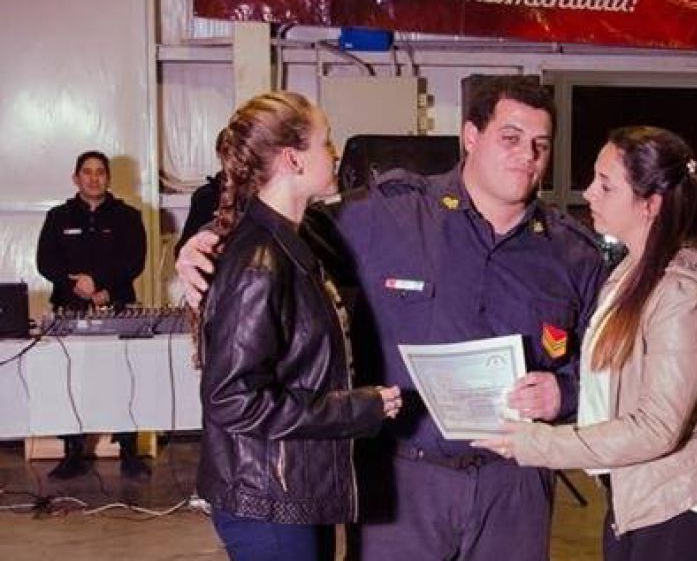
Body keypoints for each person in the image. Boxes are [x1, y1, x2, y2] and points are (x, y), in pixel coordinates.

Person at [177, 77, 606, 560]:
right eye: (510, 138)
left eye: (539, 144)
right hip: (405, 487)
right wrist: (202, 241)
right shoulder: (389, 214)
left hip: (515, 488)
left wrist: (563, 393)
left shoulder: (574, 254)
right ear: (470, 136)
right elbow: (277, 222)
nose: (527, 155)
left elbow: (606, 372)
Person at [474, 126, 697, 561]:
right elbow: (619, 386)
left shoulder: (682, 296)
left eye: (606, 185)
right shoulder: (632, 274)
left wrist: (540, 445)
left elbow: (657, 427)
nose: (588, 193)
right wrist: (559, 395)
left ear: (651, 204)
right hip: (637, 497)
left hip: (679, 508)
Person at [195, 91, 402, 561]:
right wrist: (354, 410)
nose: (334, 152)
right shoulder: (261, 260)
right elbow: (232, 398)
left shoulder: (296, 239)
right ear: (292, 158)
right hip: (267, 500)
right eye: (326, 143)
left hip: (290, 490)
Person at [36, 150, 150, 481]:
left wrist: (102, 286)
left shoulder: (128, 216)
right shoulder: (58, 217)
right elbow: (47, 262)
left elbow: (134, 261)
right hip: (70, 309)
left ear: (108, 178)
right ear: (76, 178)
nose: (94, 177)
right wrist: (79, 287)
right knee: (71, 381)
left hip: (116, 307)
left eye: (100, 172)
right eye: (87, 172)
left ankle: (129, 451)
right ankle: (73, 452)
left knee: (123, 379)